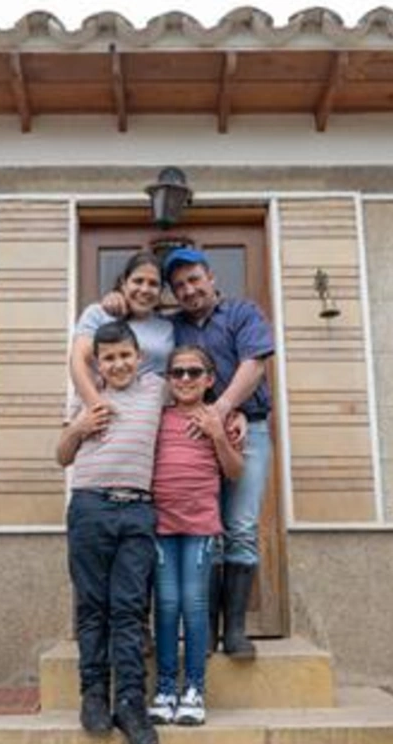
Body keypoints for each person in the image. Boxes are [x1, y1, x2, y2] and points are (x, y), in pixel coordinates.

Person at [158, 247, 275, 660]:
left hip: (249, 429)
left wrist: (224, 410)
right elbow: (133, 336)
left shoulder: (243, 313)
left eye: (194, 280)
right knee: (208, 531)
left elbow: (255, 364)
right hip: (192, 432)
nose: (189, 290)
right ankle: (205, 630)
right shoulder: (173, 328)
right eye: (179, 286)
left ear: (211, 277)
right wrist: (110, 304)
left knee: (240, 525)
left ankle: (237, 632)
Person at [55, 321, 165, 744]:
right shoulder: (85, 398)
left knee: (130, 608)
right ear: (97, 363)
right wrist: (78, 428)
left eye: (125, 355)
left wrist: (229, 422)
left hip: (137, 509)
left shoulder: (156, 388)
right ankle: (94, 696)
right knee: (92, 607)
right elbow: (61, 456)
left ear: (138, 357)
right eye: (109, 358)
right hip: (90, 507)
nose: (118, 364)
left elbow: (196, 393)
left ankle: (131, 702)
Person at [147, 345, 243, 727]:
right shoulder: (157, 418)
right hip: (161, 526)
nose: (185, 379)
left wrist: (218, 434)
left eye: (193, 372)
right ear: (168, 381)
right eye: (177, 373)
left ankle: (195, 690)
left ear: (209, 379)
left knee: (193, 603)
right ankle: (167, 688)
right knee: (166, 604)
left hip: (201, 526)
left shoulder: (224, 418)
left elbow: (234, 473)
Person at [70, 252, 173, 410]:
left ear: (161, 291)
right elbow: (79, 361)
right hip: (103, 407)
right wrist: (96, 406)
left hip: (149, 414)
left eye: (153, 284)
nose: (145, 289)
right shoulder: (99, 314)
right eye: (138, 281)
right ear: (124, 283)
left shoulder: (168, 326)